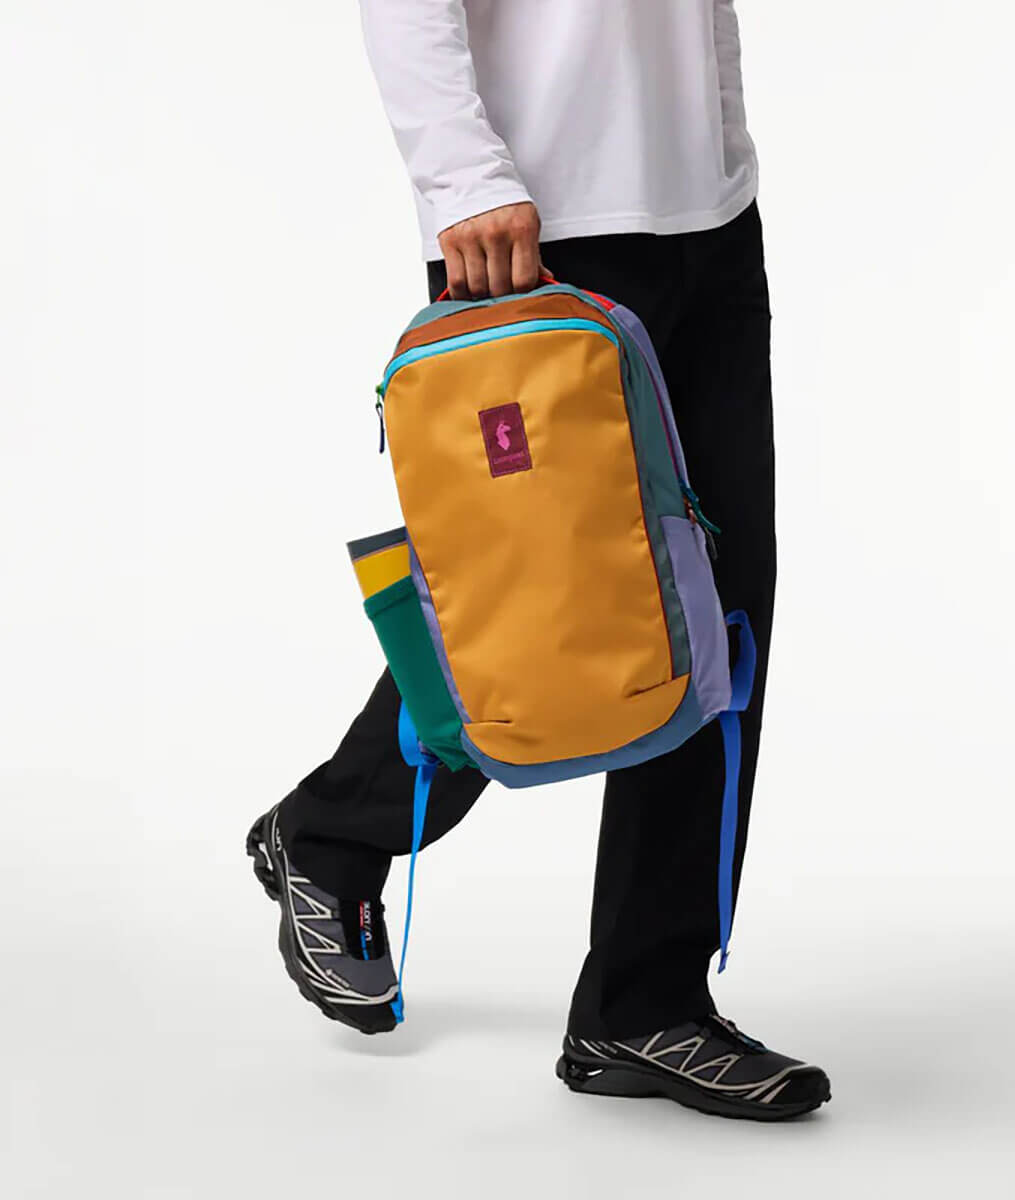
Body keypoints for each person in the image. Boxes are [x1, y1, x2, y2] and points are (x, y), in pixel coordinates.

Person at [246, 0, 831, 1121]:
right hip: (537, 218)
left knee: (713, 615)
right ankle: (336, 832)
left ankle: (644, 1004)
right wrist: (461, 177)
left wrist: (717, 141)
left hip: (706, 204)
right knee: (541, 610)